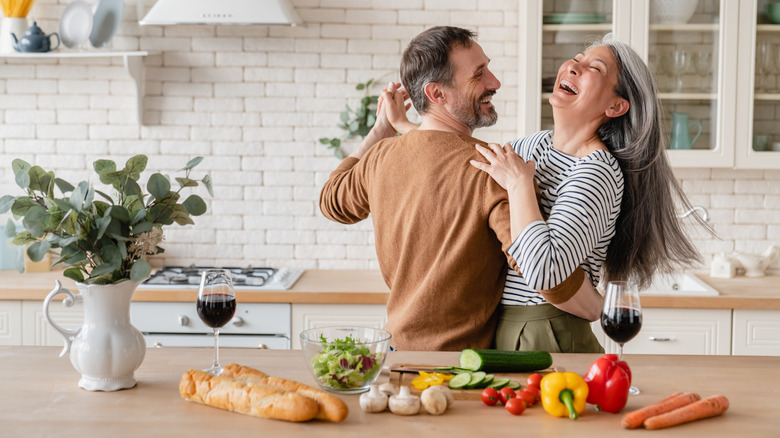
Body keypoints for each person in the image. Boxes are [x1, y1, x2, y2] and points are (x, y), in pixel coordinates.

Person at [383, 33, 706, 353]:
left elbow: (545, 271)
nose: (573, 67)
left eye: (594, 68)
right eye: (577, 59)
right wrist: (405, 126)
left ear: (616, 105)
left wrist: (521, 185)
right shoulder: (533, 145)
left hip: (548, 330)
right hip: (502, 327)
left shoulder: (596, 171)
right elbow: (465, 160)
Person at [319, 26, 588, 351]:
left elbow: (331, 201)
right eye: (478, 75)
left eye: (487, 67)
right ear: (437, 94)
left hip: (394, 355)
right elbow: (546, 276)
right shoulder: (490, 169)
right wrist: (603, 306)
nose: (495, 82)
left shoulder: (380, 157)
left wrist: (380, 131)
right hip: (457, 370)